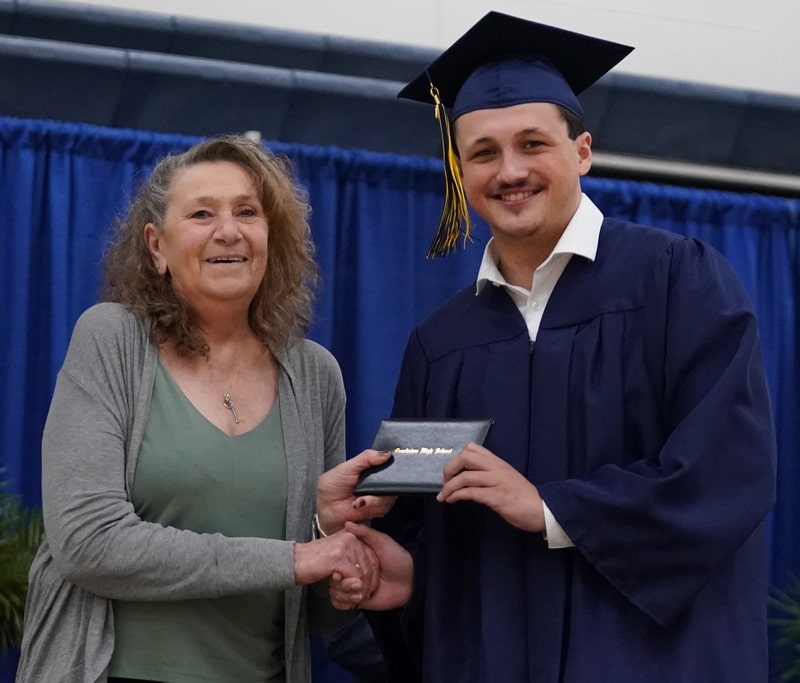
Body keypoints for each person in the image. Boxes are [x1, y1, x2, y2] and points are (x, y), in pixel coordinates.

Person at [366, 11, 778, 683]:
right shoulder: (441, 344)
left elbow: (724, 469)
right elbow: (423, 527)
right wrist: (387, 559)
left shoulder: (677, 281)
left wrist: (551, 507)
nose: (510, 171)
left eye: (532, 143)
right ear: (460, 170)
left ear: (582, 151)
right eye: (483, 152)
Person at [15, 134, 410, 683]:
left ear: (272, 237)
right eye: (202, 214)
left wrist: (333, 544)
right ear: (156, 246)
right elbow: (88, 543)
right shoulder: (110, 339)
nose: (229, 231)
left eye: (247, 212)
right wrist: (297, 558)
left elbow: (315, 614)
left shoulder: (315, 375)